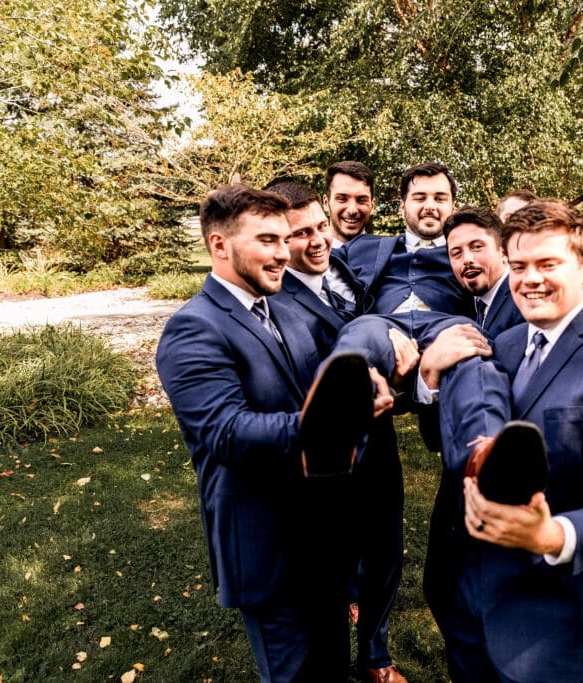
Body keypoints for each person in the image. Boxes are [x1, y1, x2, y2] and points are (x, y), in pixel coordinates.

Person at [419, 198, 583, 682]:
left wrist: (550, 535)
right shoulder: (504, 344)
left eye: (547, 264)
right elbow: (446, 439)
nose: (529, 279)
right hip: (470, 609)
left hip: (554, 630)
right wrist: (431, 378)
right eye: (518, 266)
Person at [155, 184, 393, 682]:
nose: (285, 252)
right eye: (268, 240)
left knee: (333, 669)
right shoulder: (193, 329)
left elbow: (327, 374)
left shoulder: (285, 306)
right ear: (219, 245)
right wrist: (336, 419)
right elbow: (226, 431)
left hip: (325, 543)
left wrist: (360, 383)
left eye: (284, 239)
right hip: (269, 550)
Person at [267, 181, 412, 683]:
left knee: (386, 550)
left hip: (381, 445)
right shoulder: (274, 304)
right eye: (298, 234)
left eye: (318, 227)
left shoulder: (349, 267)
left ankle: (375, 653)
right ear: (273, 242)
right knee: (335, 565)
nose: (316, 241)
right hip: (327, 459)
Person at [445, 199, 583, 338]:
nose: (467, 259)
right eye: (456, 252)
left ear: (503, 252)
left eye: (477, 247)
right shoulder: (470, 298)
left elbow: (566, 278)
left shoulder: (525, 298)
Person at [325, 161, 376, 246]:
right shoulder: (304, 257)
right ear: (326, 203)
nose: (352, 210)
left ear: (372, 206)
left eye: (361, 200)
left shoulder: (389, 254)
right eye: (342, 199)